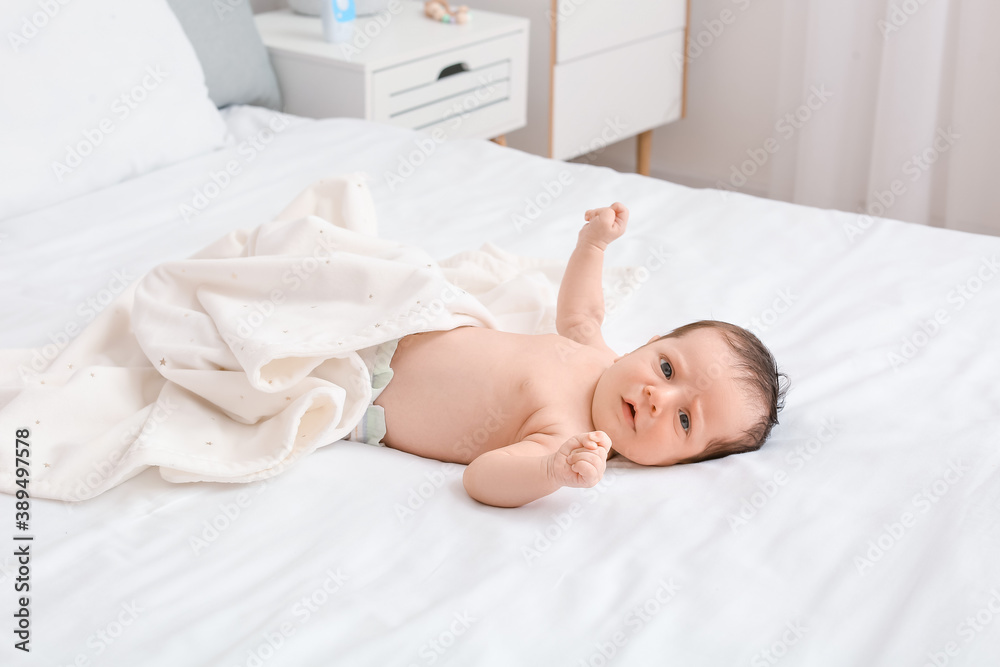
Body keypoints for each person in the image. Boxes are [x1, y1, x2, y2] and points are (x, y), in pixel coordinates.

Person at [356, 203, 788, 508]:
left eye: (685, 420)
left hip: (361, 389)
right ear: (649, 344)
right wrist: (594, 246)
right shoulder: (598, 355)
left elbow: (481, 478)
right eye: (667, 368)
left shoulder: (570, 439)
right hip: (405, 321)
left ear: (681, 463)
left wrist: (550, 472)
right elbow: (582, 312)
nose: (660, 397)